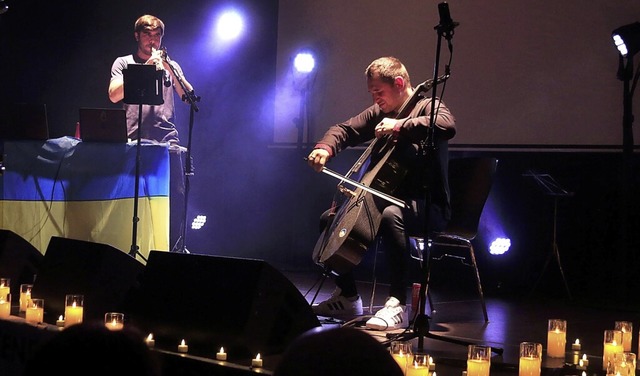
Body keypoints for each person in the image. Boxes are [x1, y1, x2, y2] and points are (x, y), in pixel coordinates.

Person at [307, 56, 456, 331]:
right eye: (372, 93)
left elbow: (447, 126)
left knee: (390, 214)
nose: (376, 99)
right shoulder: (381, 111)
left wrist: (398, 126)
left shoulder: (428, 106)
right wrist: (325, 148)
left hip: (426, 207)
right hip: (381, 200)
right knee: (329, 219)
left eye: (379, 92)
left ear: (399, 83)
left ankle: (396, 304)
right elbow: (345, 129)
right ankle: (348, 298)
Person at [108, 14, 195, 252]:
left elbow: (189, 97)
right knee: (132, 200)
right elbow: (114, 95)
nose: (152, 40)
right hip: (132, 143)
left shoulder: (171, 65)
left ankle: (171, 250)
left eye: (157, 35)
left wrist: (167, 67)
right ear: (137, 35)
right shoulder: (124, 62)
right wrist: (145, 70)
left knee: (174, 199)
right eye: (147, 34)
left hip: (167, 143)